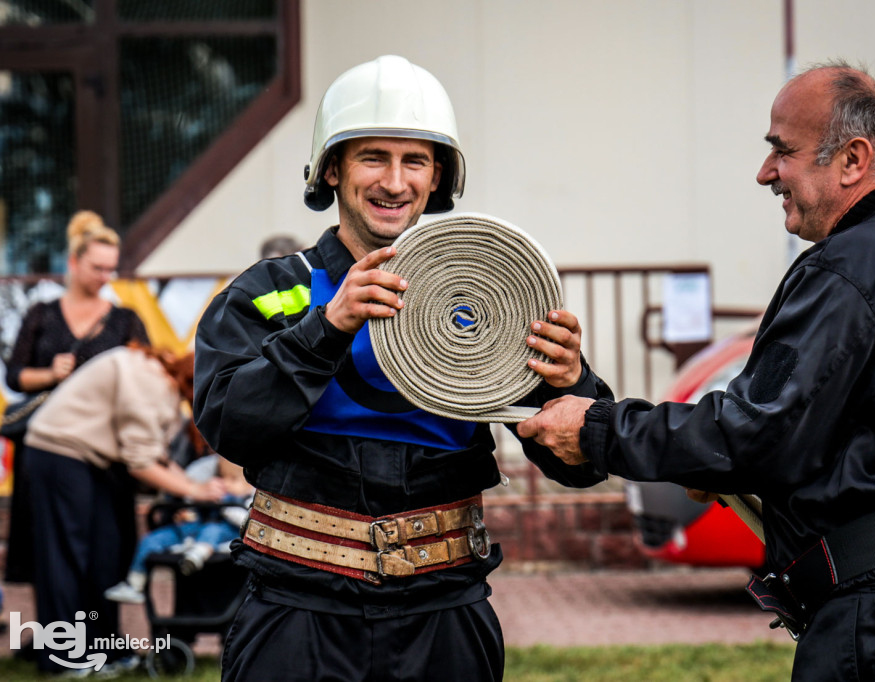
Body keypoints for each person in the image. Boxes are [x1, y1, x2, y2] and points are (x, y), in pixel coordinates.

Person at [517, 60, 875, 681]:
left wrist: (595, 427)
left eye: (782, 151)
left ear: (852, 159)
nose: (766, 173)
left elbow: (751, 435)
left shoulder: (849, 266)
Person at [194, 54, 612, 682]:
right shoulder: (267, 292)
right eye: (373, 157)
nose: (395, 181)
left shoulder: (486, 298)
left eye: (415, 160)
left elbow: (580, 467)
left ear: (437, 175)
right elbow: (229, 425)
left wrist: (571, 382)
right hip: (297, 610)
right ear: (331, 169)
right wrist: (325, 328)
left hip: (443, 613)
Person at [23, 345, 226, 675]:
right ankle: (62, 656)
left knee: (107, 552)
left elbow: (157, 458)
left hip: (92, 460)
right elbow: (141, 463)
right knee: (66, 556)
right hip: (59, 453)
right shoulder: (150, 384)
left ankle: (104, 649)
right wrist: (196, 490)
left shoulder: (158, 382)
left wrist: (195, 487)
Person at [3, 210, 149, 586]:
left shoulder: (125, 319)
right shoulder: (42, 314)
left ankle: (103, 636)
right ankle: (56, 636)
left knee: (105, 546)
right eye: (97, 268)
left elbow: (147, 373)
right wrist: (51, 373)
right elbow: (15, 375)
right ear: (73, 262)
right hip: (47, 446)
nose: (105, 277)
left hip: (104, 450)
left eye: (110, 270)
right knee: (48, 548)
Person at [105, 455, 254, 604]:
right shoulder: (209, 481)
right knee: (151, 539)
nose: (225, 483)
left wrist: (225, 506)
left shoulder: (246, 499)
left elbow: (244, 521)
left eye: (232, 480)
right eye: (222, 477)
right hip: (191, 533)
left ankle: (197, 554)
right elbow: (192, 507)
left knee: (212, 529)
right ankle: (135, 583)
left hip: (223, 536)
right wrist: (190, 508)